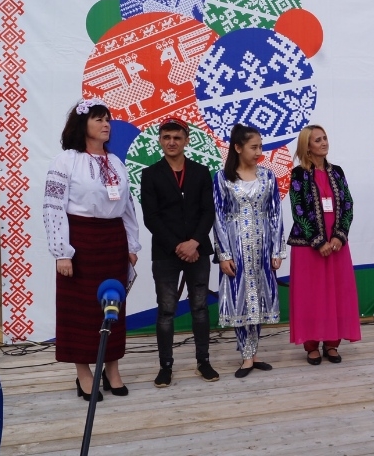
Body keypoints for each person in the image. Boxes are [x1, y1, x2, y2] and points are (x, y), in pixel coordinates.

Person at [43, 98, 140, 400]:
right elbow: (53, 206)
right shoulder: (66, 161)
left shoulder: (116, 162)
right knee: (81, 312)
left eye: (107, 119)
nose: (106, 124)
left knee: (112, 306)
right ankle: (84, 374)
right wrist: (62, 251)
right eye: (98, 119)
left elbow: (127, 207)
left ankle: (112, 369)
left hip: (112, 242)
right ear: (82, 124)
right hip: (81, 243)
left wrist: (131, 244)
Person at [140, 117, 218, 388]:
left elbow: (208, 211)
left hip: (198, 250)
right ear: (160, 141)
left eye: (177, 137)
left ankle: (203, 361)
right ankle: (166, 366)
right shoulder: (150, 174)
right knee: (166, 310)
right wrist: (178, 246)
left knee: (199, 307)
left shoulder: (201, 172)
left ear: (186, 140)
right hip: (166, 252)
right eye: (166, 137)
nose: (171, 142)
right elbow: (151, 217)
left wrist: (194, 242)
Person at [213, 124, 285, 378]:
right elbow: (218, 217)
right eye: (254, 147)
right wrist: (224, 254)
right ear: (238, 147)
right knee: (240, 299)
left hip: (262, 247)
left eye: (260, 147)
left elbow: (275, 213)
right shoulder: (223, 178)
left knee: (260, 298)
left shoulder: (267, 176)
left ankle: (254, 354)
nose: (258, 152)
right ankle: (246, 355)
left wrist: (276, 250)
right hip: (236, 248)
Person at [287, 125, 361, 365]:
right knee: (311, 296)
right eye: (317, 140)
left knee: (337, 293)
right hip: (309, 247)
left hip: (337, 246)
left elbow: (348, 204)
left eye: (325, 138)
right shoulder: (298, 174)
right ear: (307, 146)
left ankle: (332, 343)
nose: (324, 143)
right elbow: (298, 210)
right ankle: (311, 345)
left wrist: (339, 236)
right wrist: (318, 241)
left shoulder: (337, 172)